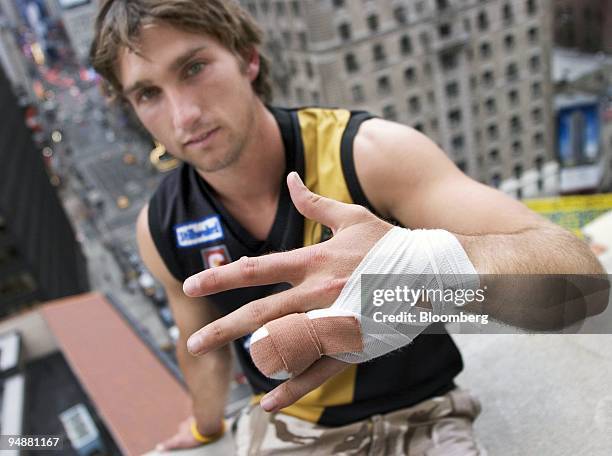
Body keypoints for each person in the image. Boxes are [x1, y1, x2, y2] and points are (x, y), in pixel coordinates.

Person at [90, 1, 607, 454]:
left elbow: (580, 284)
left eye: (195, 67)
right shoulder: (161, 226)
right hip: (289, 427)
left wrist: (418, 268)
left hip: (422, 414)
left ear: (247, 57)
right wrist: (205, 429)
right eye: (148, 94)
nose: (184, 115)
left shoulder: (369, 153)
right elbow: (199, 345)